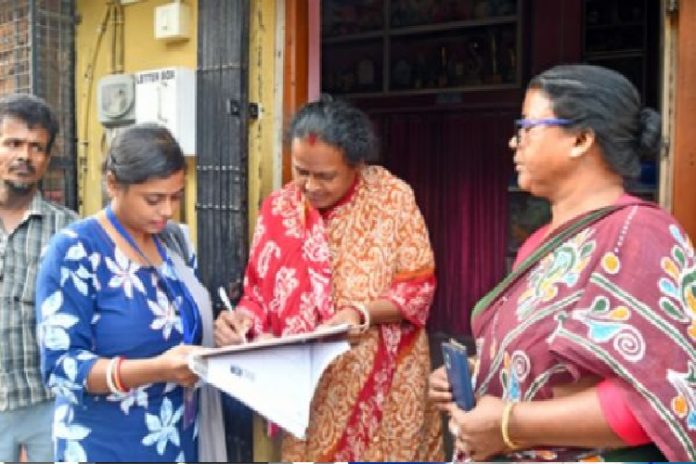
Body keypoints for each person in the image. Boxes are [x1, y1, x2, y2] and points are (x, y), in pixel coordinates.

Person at [429, 64, 696, 462]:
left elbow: (655, 400)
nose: (513, 142)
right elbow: (548, 360)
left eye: (527, 128)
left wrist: (508, 424)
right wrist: (477, 369)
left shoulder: (640, 234)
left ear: (581, 139)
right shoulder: (539, 242)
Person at [215, 99, 443, 461]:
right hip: (310, 387)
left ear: (356, 164)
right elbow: (258, 292)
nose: (310, 186)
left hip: (383, 382)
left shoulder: (391, 198)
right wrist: (242, 320)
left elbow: (417, 287)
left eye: (326, 176)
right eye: (301, 171)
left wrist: (360, 313)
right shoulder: (278, 209)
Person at [35, 123, 225, 462]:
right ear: (113, 184)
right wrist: (156, 369)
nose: (167, 211)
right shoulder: (75, 251)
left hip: (176, 439)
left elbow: (189, 325)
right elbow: (61, 368)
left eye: (176, 196)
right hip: (105, 444)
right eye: (153, 199)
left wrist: (223, 328)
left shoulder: (175, 242)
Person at [0, 93, 78, 462]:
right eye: (13, 143)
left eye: (37, 148)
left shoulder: (68, 231)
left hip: (46, 403)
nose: (25, 156)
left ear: (47, 159)